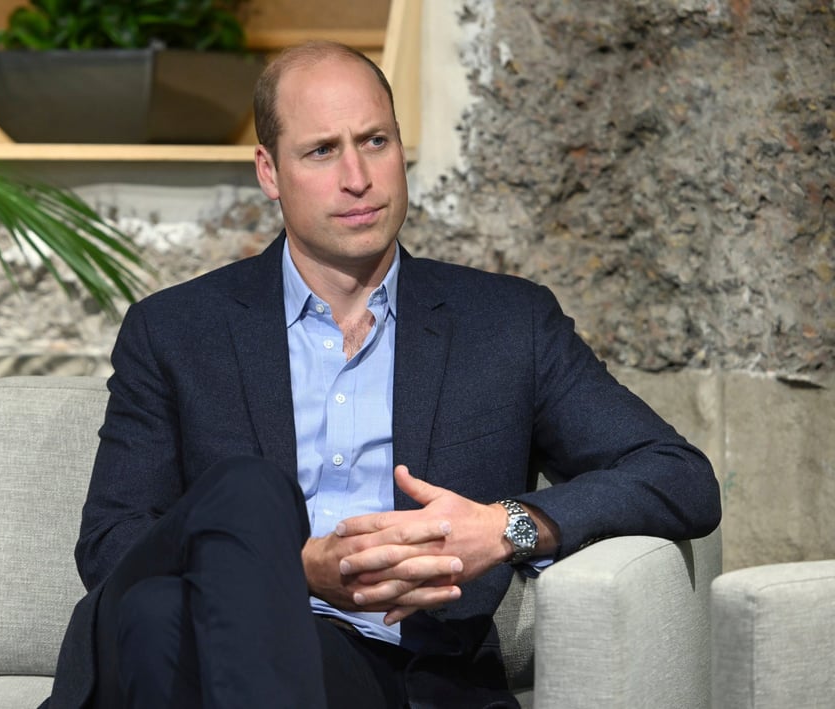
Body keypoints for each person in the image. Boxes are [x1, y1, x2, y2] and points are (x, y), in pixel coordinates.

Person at [44, 41, 721, 708]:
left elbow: (677, 475)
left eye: (375, 141)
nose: (357, 177)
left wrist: (503, 527)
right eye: (321, 151)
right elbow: (111, 544)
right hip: (204, 637)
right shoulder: (176, 330)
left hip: (387, 672)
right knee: (237, 509)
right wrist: (287, 569)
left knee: (158, 618)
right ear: (270, 171)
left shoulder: (505, 325)